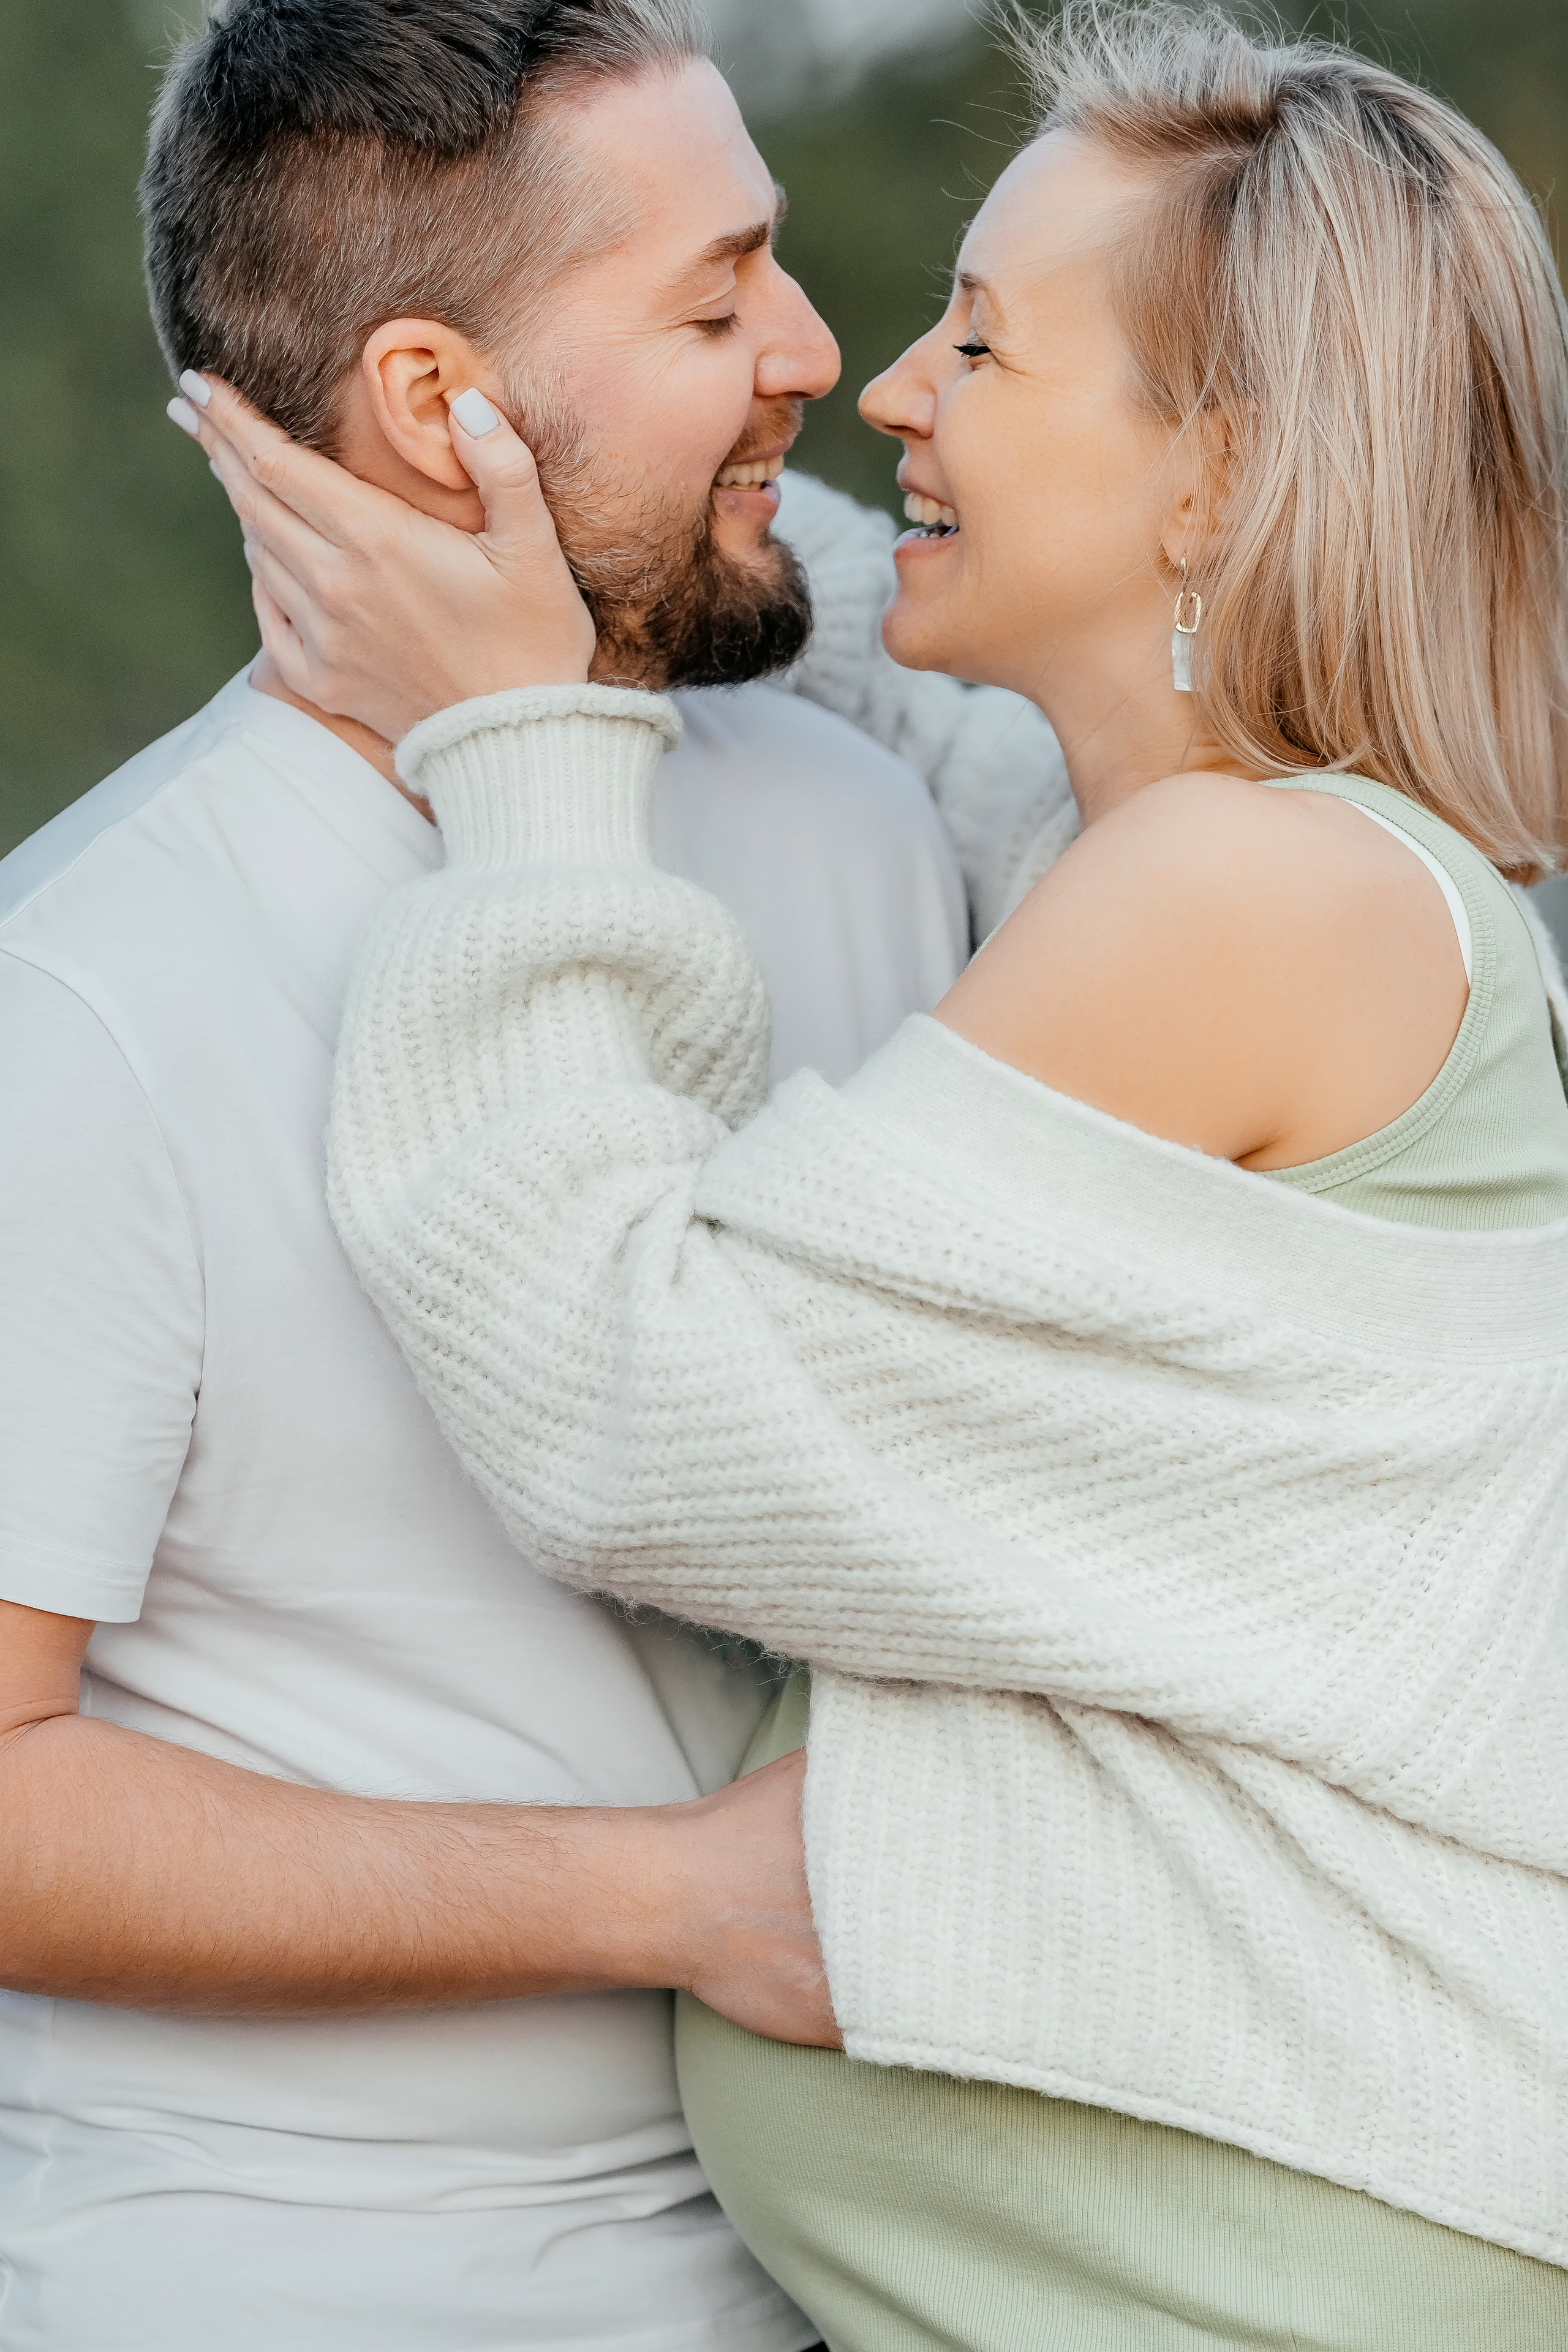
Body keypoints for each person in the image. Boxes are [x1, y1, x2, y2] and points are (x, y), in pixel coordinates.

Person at [193, 2, 1568, 2346]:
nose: (887, 385)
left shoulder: (1244, 897)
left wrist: (517, 733)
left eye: (985, 343)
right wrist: (601, 511)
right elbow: (935, 709)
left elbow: (629, 1403)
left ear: (1217, 474)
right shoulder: (1225, 854)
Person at [0, 5, 1072, 2348]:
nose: (816, 353)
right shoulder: (77, 997)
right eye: (714, 301)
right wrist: (666, 1900)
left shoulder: (857, 820)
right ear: (434, 403)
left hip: (888, 2277)